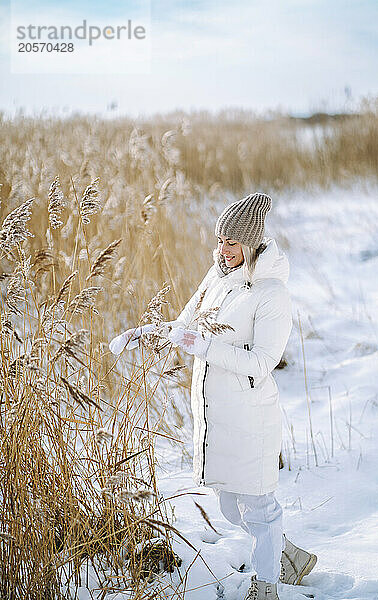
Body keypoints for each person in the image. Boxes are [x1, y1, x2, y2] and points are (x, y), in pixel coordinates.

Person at [110, 193, 317, 599]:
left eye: (232, 243)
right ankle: (286, 556)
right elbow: (186, 324)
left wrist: (204, 347)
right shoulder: (217, 277)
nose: (222, 251)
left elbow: (262, 362)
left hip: (250, 414)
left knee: (259, 508)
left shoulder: (271, 293)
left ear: (252, 243)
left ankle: (267, 585)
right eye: (220, 240)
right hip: (214, 413)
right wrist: (144, 333)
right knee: (228, 507)